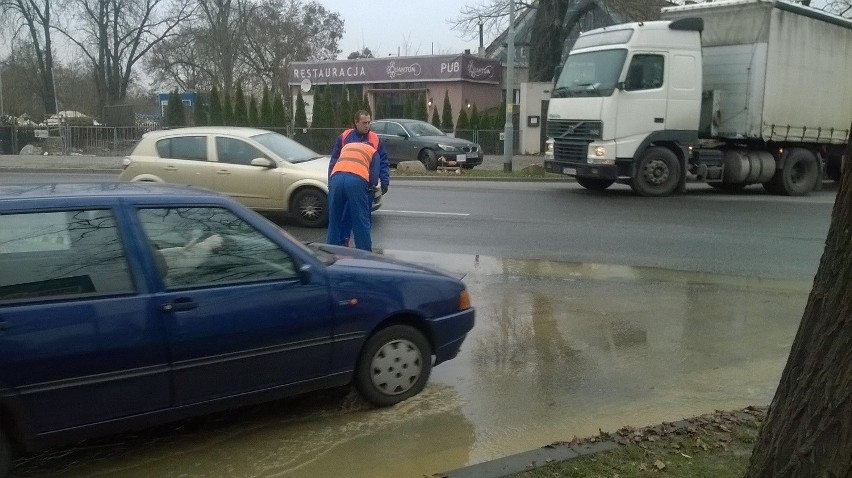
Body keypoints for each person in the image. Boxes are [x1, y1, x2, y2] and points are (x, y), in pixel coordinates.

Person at [326, 110, 390, 251]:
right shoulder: (345, 137)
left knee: (336, 220)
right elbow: (335, 160)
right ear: (356, 122)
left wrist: (385, 181)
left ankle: (332, 252)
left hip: (341, 180)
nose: (367, 126)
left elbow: (384, 162)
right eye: (364, 123)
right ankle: (362, 254)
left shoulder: (375, 139)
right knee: (357, 221)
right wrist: (372, 185)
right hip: (359, 183)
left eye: (369, 123)